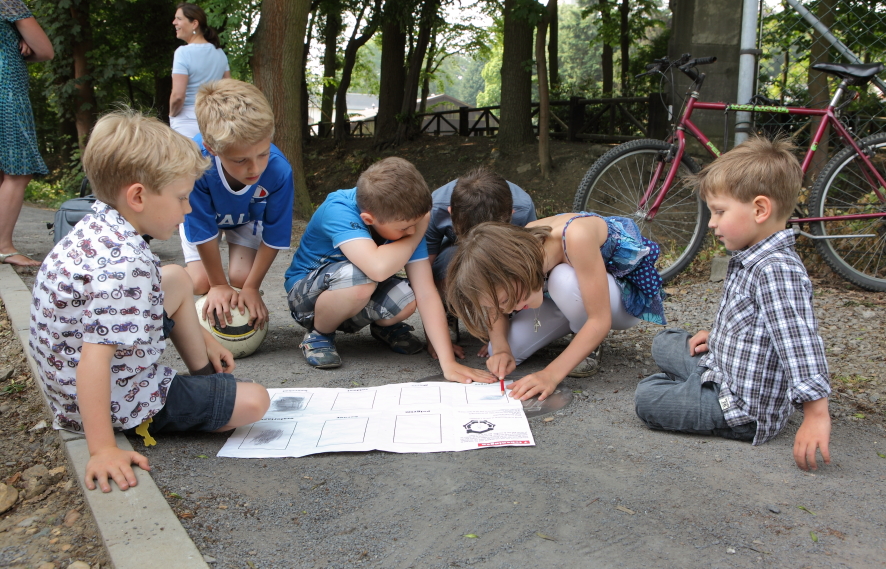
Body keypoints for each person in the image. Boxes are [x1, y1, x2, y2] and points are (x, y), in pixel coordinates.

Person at [29, 109, 270, 493]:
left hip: (69, 376)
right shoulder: (126, 265)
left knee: (174, 277)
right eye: (181, 198)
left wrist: (206, 341)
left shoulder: (99, 222)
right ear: (138, 196)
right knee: (255, 402)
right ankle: (159, 414)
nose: (188, 209)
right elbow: (94, 360)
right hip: (111, 398)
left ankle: (204, 373)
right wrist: (103, 448)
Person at [634, 137, 831, 472]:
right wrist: (718, 336)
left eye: (719, 212)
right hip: (727, 367)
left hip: (742, 406)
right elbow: (752, 320)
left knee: (646, 396)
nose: (711, 223)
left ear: (759, 210)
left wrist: (816, 413)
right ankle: (694, 384)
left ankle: (695, 392)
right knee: (665, 341)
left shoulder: (776, 270)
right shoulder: (752, 255)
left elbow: (800, 343)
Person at [284, 156, 494, 385]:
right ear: (368, 219)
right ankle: (319, 334)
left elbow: (425, 291)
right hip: (307, 299)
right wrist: (418, 231)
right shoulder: (338, 209)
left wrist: (448, 363)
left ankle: (382, 328)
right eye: (405, 228)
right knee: (360, 278)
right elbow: (377, 269)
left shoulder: (405, 224)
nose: (413, 230)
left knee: (410, 295)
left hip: (356, 293)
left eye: (416, 224)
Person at [446, 214, 666, 401]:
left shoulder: (574, 236)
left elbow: (600, 321)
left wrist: (550, 375)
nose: (506, 310)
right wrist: (502, 348)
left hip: (621, 302)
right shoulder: (512, 254)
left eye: (506, 301)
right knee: (499, 351)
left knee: (562, 280)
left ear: (515, 270)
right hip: (566, 299)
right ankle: (574, 327)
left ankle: (588, 342)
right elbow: (493, 307)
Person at [181, 78, 293, 332]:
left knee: (242, 279)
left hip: (247, 217)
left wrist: (252, 287)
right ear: (213, 149)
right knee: (201, 282)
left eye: (263, 153)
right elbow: (202, 228)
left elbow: (275, 235)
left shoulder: (279, 171)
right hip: (206, 217)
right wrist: (218, 285)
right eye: (241, 160)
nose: (255, 168)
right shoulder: (196, 165)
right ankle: (163, 291)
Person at [0, 0, 53, 267]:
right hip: (5, 89)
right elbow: (45, 50)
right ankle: (3, 247)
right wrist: (22, 46)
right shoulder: (7, 3)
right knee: (17, 170)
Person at [426, 169, 537, 286]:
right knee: (442, 268)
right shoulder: (435, 208)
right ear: (450, 211)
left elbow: (531, 259)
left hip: (503, 250)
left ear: (512, 213)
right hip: (454, 249)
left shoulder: (523, 209)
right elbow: (425, 267)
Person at [169, 2, 229, 138]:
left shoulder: (183, 52)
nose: (174, 22)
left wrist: (172, 115)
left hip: (186, 120)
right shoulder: (220, 53)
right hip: (213, 119)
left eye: (179, 18)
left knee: (187, 159)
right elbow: (228, 90)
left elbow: (178, 96)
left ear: (194, 24)